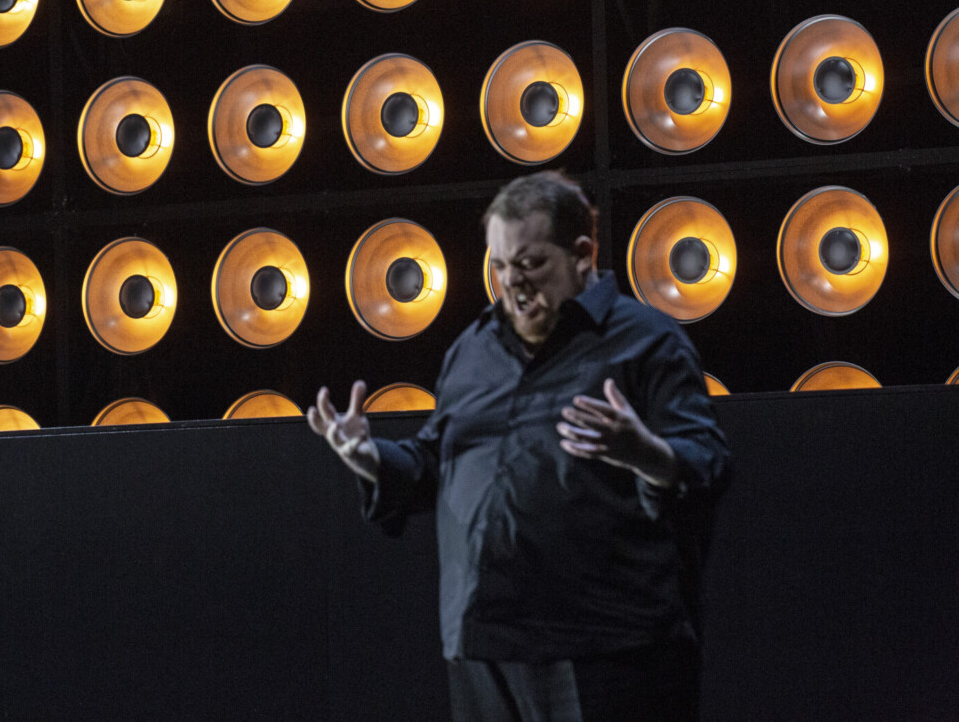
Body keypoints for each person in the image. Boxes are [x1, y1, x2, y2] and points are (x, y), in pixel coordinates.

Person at [308, 172, 729, 721]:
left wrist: (644, 451)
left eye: (531, 265)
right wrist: (369, 458)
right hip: (484, 642)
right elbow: (436, 461)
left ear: (582, 254)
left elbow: (708, 463)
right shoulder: (474, 347)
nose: (513, 285)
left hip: (603, 646)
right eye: (501, 267)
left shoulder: (646, 340)